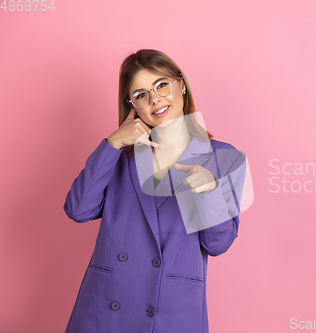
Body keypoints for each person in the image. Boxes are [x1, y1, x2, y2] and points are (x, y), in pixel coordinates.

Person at [63, 49, 247, 333]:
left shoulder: (222, 157)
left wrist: (210, 191)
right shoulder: (121, 158)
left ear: (181, 84)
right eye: (141, 94)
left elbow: (218, 244)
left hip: (172, 312)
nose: (155, 100)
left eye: (162, 84)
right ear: (132, 105)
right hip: (107, 310)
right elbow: (78, 210)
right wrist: (111, 144)